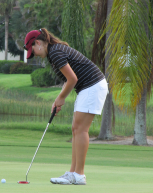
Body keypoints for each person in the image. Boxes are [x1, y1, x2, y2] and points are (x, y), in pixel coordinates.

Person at [23, 28, 108, 185]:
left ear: (38, 43)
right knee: (76, 128)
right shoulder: (53, 53)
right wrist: (58, 99)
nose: (33, 53)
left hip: (92, 85)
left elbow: (72, 79)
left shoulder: (55, 52)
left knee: (81, 129)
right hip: (88, 87)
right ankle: (72, 173)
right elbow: (69, 80)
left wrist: (61, 98)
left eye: (32, 49)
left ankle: (79, 175)